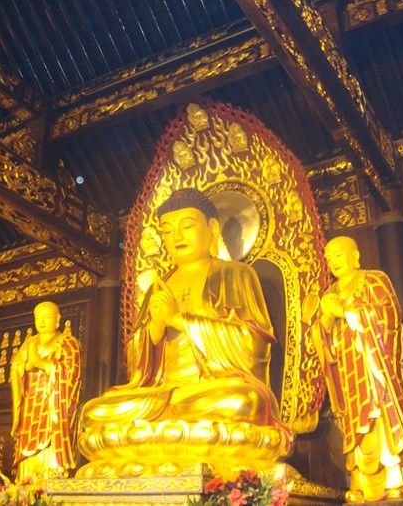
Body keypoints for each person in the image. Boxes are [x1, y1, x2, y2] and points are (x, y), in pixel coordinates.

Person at [80, 188, 291, 474]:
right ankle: (174, 428)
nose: (176, 236)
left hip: (210, 392)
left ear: (212, 229)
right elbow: (135, 362)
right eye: (167, 230)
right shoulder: (158, 287)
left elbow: (254, 343)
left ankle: (158, 439)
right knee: (96, 412)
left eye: (187, 226)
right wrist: (155, 327)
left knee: (246, 402)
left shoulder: (235, 274)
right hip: (161, 395)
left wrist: (179, 320)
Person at [314, 236, 403, 502]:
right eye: (328, 258)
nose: (333, 262)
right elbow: (324, 341)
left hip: (376, 370)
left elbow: (388, 317)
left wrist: (343, 311)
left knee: (382, 421)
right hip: (348, 372)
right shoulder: (330, 293)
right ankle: (362, 485)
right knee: (356, 428)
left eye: (338, 255)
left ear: (355, 256)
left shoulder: (373, 280)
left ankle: (396, 481)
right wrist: (326, 320)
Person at [10, 301, 82, 480]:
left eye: (47, 317)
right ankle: (26, 486)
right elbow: (15, 369)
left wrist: (41, 364)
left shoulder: (68, 343)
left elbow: (71, 372)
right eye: (37, 317)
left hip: (53, 405)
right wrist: (27, 366)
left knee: (51, 439)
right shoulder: (29, 343)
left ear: (57, 319)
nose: (41, 321)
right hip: (30, 404)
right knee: (27, 445)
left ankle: (51, 479)